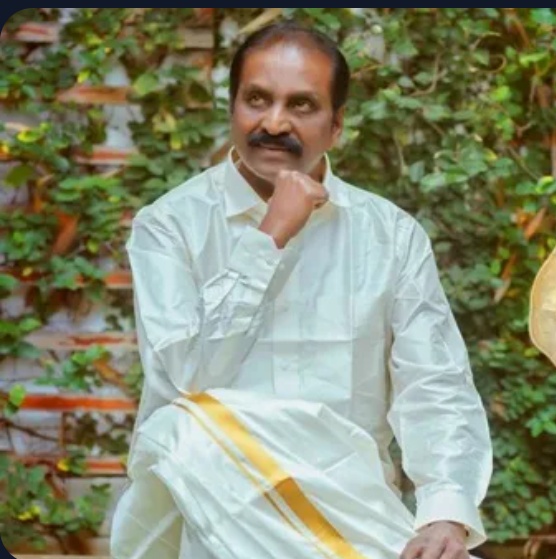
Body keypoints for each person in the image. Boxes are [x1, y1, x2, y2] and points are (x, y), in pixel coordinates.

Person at [109, 20, 492, 559]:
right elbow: (186, 379)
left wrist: (444, 514)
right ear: (232, 109)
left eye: (302, 105)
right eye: (257, 99)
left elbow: (435, 384)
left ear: (336, 126)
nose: (274, 122)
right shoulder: (170, 226)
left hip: (351, 523)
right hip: (216, 523)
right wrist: (269, 237)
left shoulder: (389, 235)